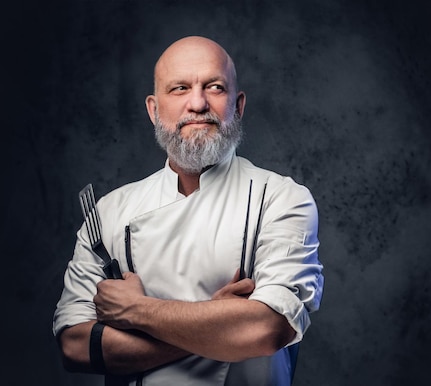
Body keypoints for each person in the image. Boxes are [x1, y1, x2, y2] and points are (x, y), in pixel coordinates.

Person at [52, 36, 324, 386]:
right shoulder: (109, 213)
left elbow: (267, 328)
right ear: (153, 110)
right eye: (179, 88)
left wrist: (136, 311)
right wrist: (219, 321)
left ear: (238, 106)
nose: (197, 103)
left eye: (214, 87)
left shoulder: (280, 199)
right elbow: (75, 346)